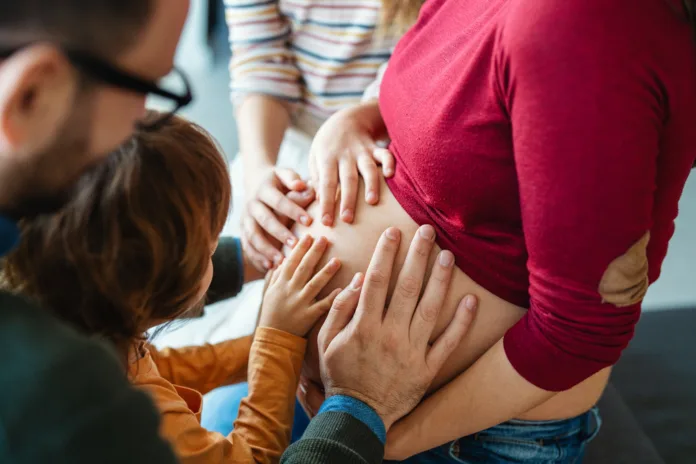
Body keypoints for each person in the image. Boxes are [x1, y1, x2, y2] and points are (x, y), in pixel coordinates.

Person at [0, 0, 472, 463]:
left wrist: (261, 303)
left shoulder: (61, 294)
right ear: (31, 95)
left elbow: (170, 361)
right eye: (150, 88)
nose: (141, 121)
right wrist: (357, 403)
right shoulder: (74, 400)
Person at [286, 0, 696, 462]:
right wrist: (355, 121)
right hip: (355, 406)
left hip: (451, 434)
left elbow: (582, 328)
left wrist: (384, 434)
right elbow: (469, 99)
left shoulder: (587, 23)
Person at [225, 0, 422, 270]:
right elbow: (260, 58)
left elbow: (425, 53)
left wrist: (360, 121)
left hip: (394, 136)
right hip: (286, 141)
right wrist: (258, 173)